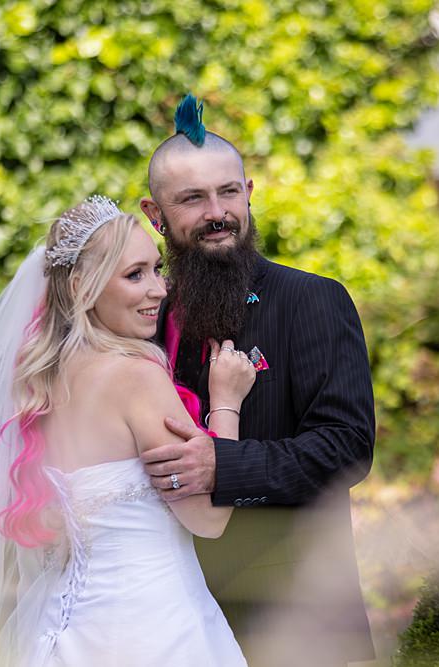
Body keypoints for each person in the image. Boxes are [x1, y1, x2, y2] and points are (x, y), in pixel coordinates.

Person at [0, 195, 257, 666]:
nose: (158, 290)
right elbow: (209, 521)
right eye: (134, 275)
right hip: (154, 631)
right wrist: (228, 403)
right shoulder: (136, 377)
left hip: (61, 633)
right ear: (80, 287)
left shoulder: (40, 382)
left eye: (156, 269)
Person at [137, 95, 376, 666]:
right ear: (155, 215)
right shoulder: (143, 317)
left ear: (249, 193)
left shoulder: (313, 300)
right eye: (192, 199)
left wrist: (225, 466)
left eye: (227, 191)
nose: (216, 211)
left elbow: (347, 447)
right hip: (167, 618)